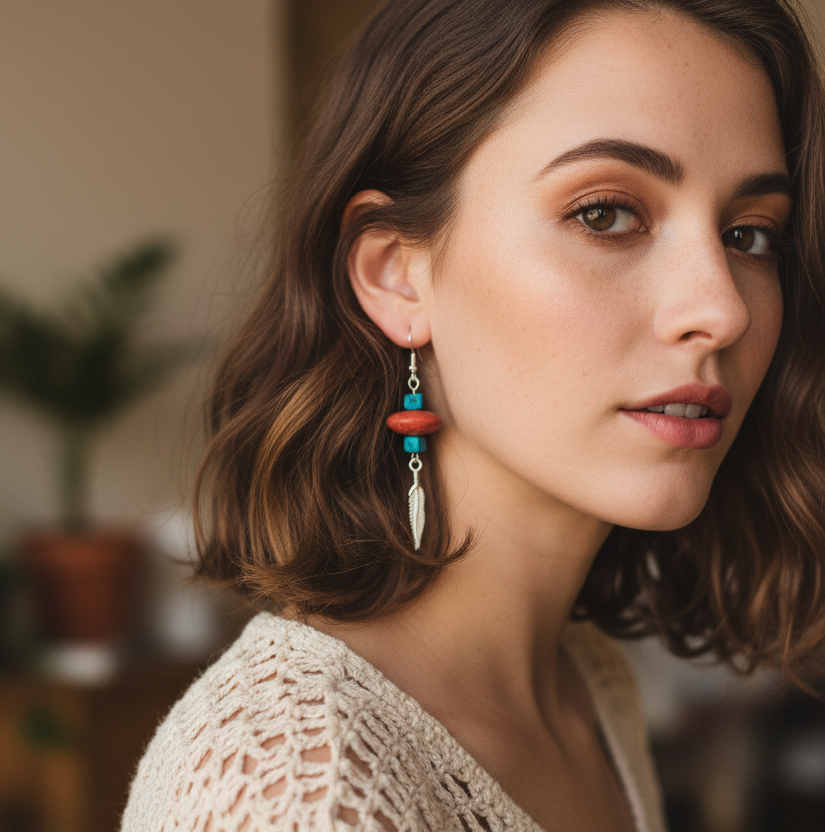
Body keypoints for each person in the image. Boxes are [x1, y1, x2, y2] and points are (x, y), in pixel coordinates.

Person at [121, 0, 825, 830]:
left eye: (750, 235)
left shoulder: (586, 688)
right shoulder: (302, 789)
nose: (722, 309)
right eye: (604, 214)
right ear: (395, 274)